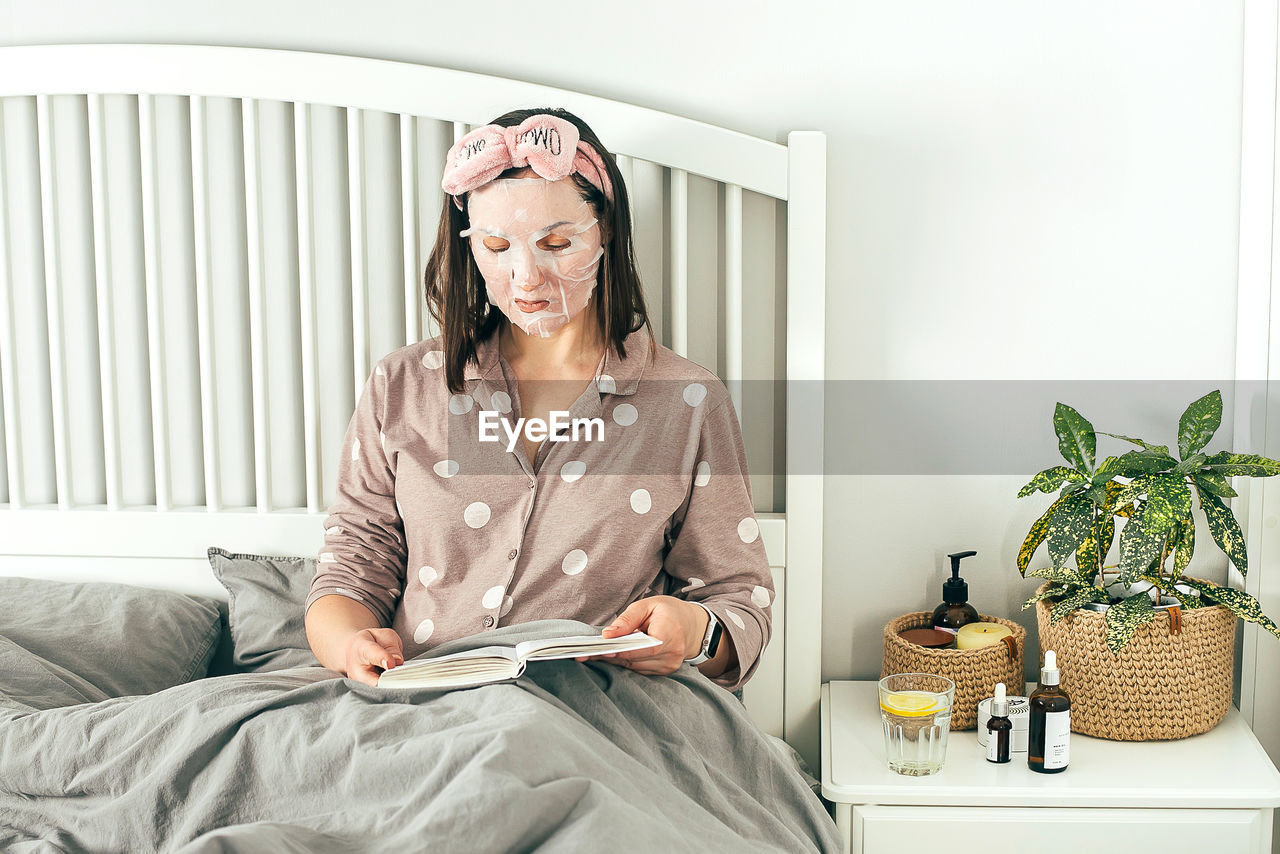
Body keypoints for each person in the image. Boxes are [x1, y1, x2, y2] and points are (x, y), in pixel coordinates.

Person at [303, 108, 774, 694]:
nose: (526, 277)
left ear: (607, 232)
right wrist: (349, 643)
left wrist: (697, 631)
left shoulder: (686, 401)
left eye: (556, 243)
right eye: (497, 246)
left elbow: (738, 598)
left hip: (595, 716)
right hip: (417, 709)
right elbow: (352, 566)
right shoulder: (402, 386)